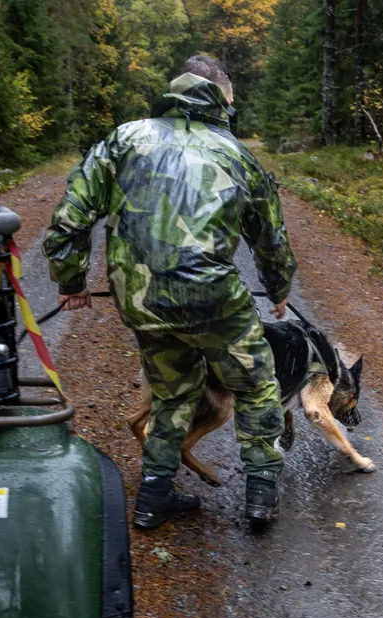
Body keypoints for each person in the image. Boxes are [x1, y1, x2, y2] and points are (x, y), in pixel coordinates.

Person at [41, 55, 297, 529]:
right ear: (221, 96)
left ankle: (154, 497)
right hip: (214, 300)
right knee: (255, 383)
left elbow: (69, 220)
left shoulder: (124, 138)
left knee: (172, 394)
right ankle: (260, 496)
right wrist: (278, 289)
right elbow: (271, 239)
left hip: (141, 300)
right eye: (232, 99)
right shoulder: (237, 153)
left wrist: (71, 281)